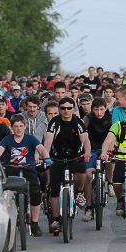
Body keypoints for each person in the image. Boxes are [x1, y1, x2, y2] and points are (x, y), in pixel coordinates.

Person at [0, 115, 52, 236]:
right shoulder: (6, 140)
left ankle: (35, 223)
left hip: (29, 169)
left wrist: (46, 157)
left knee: (35, 193)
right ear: (11, 127)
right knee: (6, 194)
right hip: (12, 170)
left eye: (21, 126)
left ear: (25, 126)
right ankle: (9, 219)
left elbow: (41, 149)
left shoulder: (30, 139)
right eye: (15, 126)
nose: (18, 129)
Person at [43, 97, 92, 234]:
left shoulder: (78, 122)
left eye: (69, 108)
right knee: (54, 188)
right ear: (59, 109)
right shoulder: (54, 122)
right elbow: (48, 140)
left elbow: (86, 140)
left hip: (75, 156)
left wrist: (87, 153)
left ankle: (79, 192)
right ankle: (56, 218)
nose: (66, 111)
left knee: (81, 171)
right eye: (63, 108)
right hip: (57, 157)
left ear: (74, 109)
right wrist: (46, 156)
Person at [83, 97, 115, 201]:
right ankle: (88, 206)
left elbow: (113, 136)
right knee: (88, 175)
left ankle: (110, 183)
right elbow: (82, 134)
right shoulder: (87, 118)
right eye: (96, 109)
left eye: (101, 109)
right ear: (92, 109)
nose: (99, 112)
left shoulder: (111, 118)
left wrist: (108, 151)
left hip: (106, 147)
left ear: (106, 108)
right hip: (91, 149)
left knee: (110, 161)